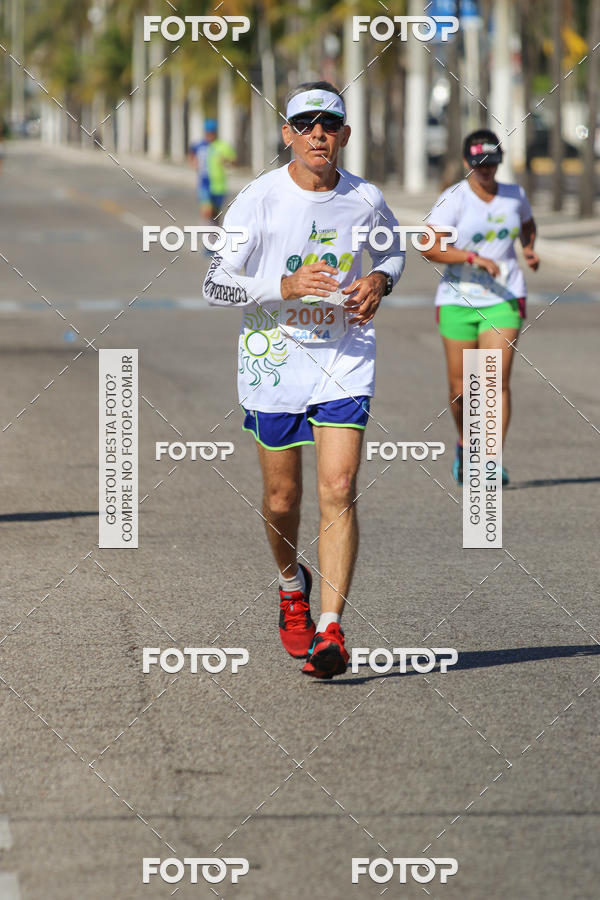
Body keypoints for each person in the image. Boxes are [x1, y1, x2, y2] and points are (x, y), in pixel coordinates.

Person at [202, 82, 404, 679]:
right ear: (287, 133)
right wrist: (281, 287)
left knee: (339, 486)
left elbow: (392, 253)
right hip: (273, 359)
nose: (318, 133)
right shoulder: (260, 199)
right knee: (282, 499)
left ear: (343, 133)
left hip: (344, 356)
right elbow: (215, 284)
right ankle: (291, 584)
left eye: (329, 124)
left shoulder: (365, 198)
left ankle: (330, 627)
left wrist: (380, 282)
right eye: (306, 124)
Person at [421, 129, 539, 485]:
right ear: (466, 163)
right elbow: (428, 246)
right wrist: (471, 257)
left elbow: (527, 225)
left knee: (493, 381)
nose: (485, 170)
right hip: (458, 299)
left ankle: (489, 459)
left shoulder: (514, 196)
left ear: (499, 162)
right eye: (478, 164)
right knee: (460, 390)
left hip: (504, 297)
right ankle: (465, 442)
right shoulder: (454, 199)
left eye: (490, 163)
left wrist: (529, 249)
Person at [188, 118, 236, 223]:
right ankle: (206, 230)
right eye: (208, 133)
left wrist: (226, 160)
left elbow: (234, 161)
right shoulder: (199, 145)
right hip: (204, 183)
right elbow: (191, 154)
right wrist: (194, 163)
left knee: (216, 214)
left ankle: (213, 233)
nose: (210, 136)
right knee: (207, 211)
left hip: (219, 185)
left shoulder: (223, 146)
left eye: (212, 133)